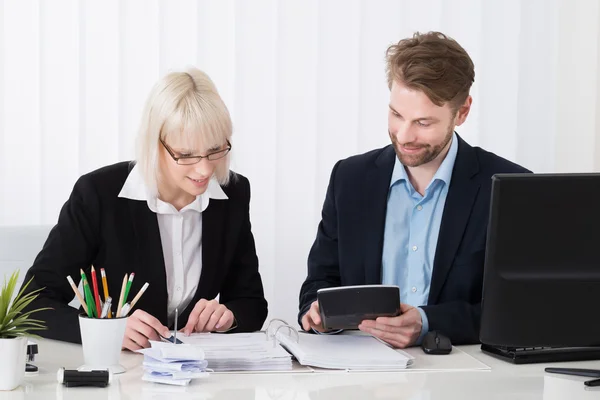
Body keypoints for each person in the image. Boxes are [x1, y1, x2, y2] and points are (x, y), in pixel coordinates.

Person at [298, 31, 530, 347]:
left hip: (464, 376)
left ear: (462, 112)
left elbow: (519, 309)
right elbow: (320, 281)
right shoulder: (350, 179)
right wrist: (316, 314)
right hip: (361, 373)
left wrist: (428, 322)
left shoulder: (509, 188)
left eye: (423, 123)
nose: (404, 135)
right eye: (396, 115)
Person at [21, 67, 268, 350]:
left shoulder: (233, 193)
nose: (204, 169)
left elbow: (251, 303)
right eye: (186, 155)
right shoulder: (98, 195)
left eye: (215, 150)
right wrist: (107, 330)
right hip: (120, 373)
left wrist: (229, 317)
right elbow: (33, 304)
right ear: (155, 144)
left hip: (196, 375)